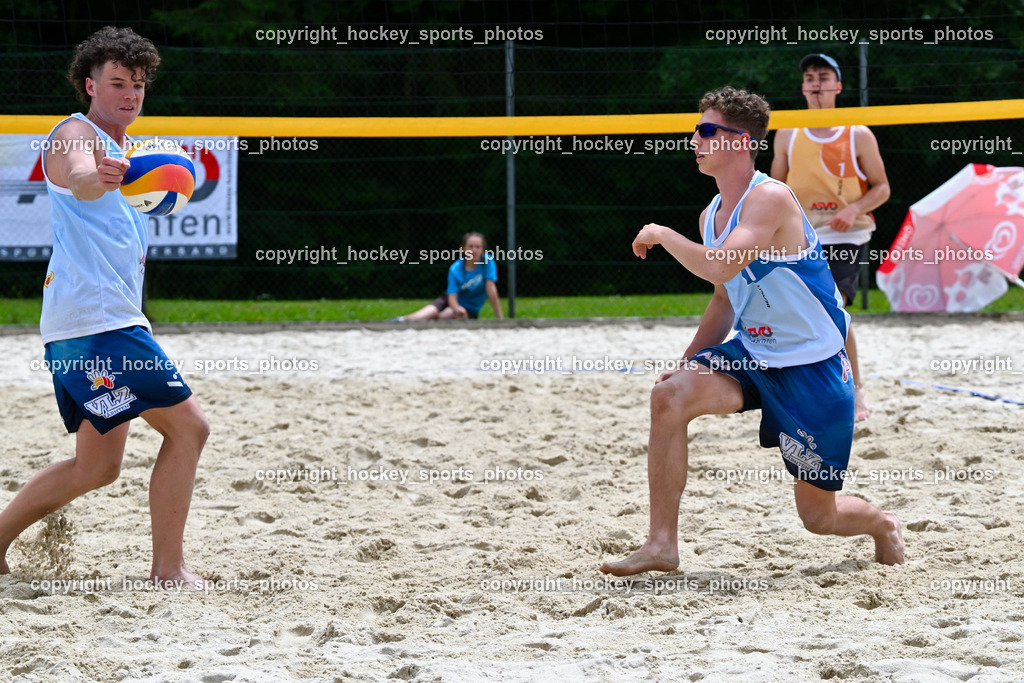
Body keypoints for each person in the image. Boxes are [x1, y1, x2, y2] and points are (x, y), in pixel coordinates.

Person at [600, 86, 903, 578]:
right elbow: (724, 299)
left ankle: (882, 524)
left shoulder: (770, 198)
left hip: (813, 365)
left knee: (819, 518)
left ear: (741, 141)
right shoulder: (711, 215)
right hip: (754, 353)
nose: (694, 140)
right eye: (696, 130)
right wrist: (687, 362)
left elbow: (720, 265)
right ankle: (661, 544)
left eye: (706, 130)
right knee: (668, 398)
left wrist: (662, 234)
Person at [0, 27, 209, 588]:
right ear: (90, 85)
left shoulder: (129, 154)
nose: (131, 94)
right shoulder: (75, 133)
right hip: (99, 325)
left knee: (97, 467)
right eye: (118, 82)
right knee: (189, 428)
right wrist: (97, 177)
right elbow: (79, 178)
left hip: (87, 323)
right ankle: (169, 570)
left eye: (138, 84)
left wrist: (116, 173)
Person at [770, 54, 891, 421]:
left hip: (846, 234)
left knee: (831, 306)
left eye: (823, 77)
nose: (815, 83)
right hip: (800, 236)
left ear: (838, 86)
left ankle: (856, 389)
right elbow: (775, 189)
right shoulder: (788, 132)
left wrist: (852, 210)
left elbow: (882, 188)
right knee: (796, 313)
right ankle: (804, 387)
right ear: (803, 87)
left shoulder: (857, 133)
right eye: (809, 77)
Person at [394, 232, 504, 321]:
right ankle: (399, 320)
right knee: (420, 316)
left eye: (477, 247)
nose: (473, 250)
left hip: (469, 309)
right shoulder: (455, 268)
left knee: (447, 315)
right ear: (463, 249)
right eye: (470, 246)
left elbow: (491, 289)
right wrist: (456, 308)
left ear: (482, 250)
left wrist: (500, 318)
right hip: (451, 301)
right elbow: (452, 296)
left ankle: (432, 321)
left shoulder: (487, 262)